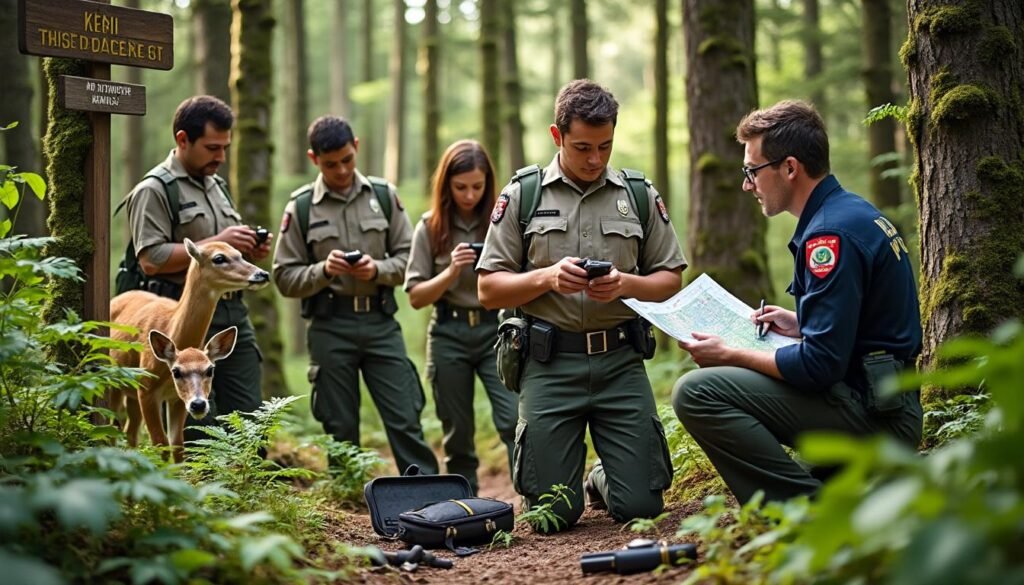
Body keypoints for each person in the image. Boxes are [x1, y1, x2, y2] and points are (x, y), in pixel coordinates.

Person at [671, 100, 923, 504]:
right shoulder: (851, 212)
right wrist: (801, 322)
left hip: (879, 419)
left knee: (695, 392)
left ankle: (803, 510)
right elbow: (869, 324)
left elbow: (819, 366)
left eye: (752, 171)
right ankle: (832, 488)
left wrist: (732, 354)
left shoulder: (829, 237)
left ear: (789, 168)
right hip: (884, 405)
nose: (746, 184)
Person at [477, 79, 686, 531]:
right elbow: (489, 288)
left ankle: (601, 478)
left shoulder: (638, 195)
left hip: (621, 364)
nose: (595, 160)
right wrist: (547, 277)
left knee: (642, 509)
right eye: (583, 147)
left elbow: (671, 279)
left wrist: (626, 284)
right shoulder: (522, 196)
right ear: (557, 136)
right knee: (551, 516)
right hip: (550, 365)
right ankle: (572, 482)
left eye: (605, 147)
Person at [271, 115, 438, 475]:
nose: (342, 170)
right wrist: (324, 270)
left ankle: (426, 489)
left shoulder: (383, 196)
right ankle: (347, 496)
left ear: (357, 147)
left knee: (404, 414)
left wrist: (376, 270)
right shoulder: (300, 208)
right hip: (330, 326)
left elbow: (410, 259)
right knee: (340, 424)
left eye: (347, 160)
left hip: (380, 322)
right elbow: (283, 277)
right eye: (331, 164)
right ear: (313, 159)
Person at [123, 95, 271, 441]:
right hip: (179, 316)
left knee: (253, 422)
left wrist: (247, 250)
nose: (220, 157)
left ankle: (241, 494)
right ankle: (189, 493)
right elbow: (151, 258)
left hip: (230, 313)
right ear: (182, 140)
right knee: (199, 432)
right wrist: (216, 241)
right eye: (212, 147)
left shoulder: (216, 185)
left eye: (225, 148)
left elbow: (222, 253)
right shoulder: (155, 189)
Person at [404, 140, 518, 495]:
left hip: (494, 331)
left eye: (477, 186)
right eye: (460, 187)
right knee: (458, 428)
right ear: (446, 186)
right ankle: (464, 501)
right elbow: (416, 297)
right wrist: (451, 272)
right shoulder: (429, 227)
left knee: (513, 417)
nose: (469, 195)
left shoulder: (501, 222)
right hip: (448, 333)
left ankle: (532, 495)